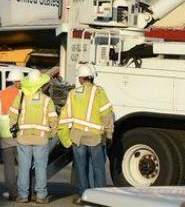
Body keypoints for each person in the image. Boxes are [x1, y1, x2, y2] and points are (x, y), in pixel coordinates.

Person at [58, 63, 114, 205]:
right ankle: (100, 198)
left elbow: (64, 119)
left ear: (81, 79)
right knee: (98, 168)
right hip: (95, 137)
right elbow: (107, 115)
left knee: (81, 168)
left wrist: (66, 140)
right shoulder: (99, 92)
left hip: (78, 138)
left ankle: (83, 196)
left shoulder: (72, 94)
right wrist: (109, 134)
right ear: (91, 77)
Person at [9, 69, 58, 205]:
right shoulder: (47, 100)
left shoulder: (20, 97)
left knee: (24, 167)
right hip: (41, 139)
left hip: (23, 138)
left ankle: (23, 196)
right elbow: (53, 120)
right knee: (40, 167)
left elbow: (12, 116)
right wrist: (53, 133)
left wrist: (14, 128)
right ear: (40, 85)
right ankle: (41, 195)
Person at [0, 67, 24, 201]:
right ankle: (24, 191)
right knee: (24, 165)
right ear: (18, 81)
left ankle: (12, 192)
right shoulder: (24, 94)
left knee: (9, 166)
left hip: (4, 135)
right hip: (20, 134)